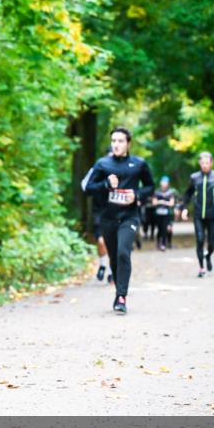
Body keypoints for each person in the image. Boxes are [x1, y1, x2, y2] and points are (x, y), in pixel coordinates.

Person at [83, 127, 154, 314]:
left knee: (123, 252)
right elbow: (88, 188)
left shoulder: (139, 164)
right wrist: (106, 184)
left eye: (120, 141)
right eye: (113, 141)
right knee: (114, 257)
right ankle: (118, 291)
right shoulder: (102, 164)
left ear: (128, 143)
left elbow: (150, 187)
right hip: (107, 218)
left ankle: (121, 296)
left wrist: (136, 194)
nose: (116, 144)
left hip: (129, 216)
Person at [180, 152, 214, 277]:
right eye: (202, 163)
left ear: (211, 163)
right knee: (200, 240)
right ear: (200, 164)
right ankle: (201, 268)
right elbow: (187, 194)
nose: (205, 165)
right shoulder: (194, 177)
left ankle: (208, 255)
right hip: (198, 215)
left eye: (207, 163)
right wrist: (184, 208)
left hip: (213, 216)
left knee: (212, 244)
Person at [81, 147, 113, 283]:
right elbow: (84, 186)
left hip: (116, 211)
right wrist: (103, 185)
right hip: (99, 210)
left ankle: (111, 271)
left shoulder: (124, 169)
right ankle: (103, 264)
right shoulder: (97, 169)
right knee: (101, 240)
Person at [152, 176, 177, 251]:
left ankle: (164, 244)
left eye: (165, 182)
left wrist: (161, 202)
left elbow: (172, 203)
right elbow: (154, 202)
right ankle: (158, 243)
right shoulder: (157, 192)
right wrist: (165, 202)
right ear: (160, 183)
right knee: (159, 229)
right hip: (158, 214)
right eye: (163, 182)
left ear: (168, 183)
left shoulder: (170, 192)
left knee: (166, 228)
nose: (164, 184)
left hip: (167, 214)